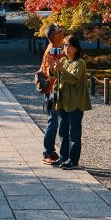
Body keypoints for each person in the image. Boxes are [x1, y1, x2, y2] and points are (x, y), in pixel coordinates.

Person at [52, 35, 92, 170]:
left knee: (74, 133)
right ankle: (63, 157)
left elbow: (73, 79)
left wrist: (61, 69)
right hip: (63, 101)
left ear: (76, 48)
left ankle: (73, 160)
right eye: (65, 45)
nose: (66, 48)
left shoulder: (80, 63)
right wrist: (51, 67)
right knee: (63, 131)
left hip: (75, 102)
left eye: (69, 45)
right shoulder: (63, 60)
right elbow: (54, 75)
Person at [40, 24, 66, 165]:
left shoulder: (54, 49)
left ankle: (52, 151)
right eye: (60, 32)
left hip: (53, 90)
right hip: (53, 91)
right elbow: (53, 73)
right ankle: (48, 152)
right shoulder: (53, 51)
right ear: (54, 36)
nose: (62, 34)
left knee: (55, 121)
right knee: (53, 121)